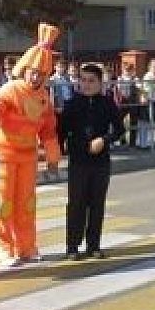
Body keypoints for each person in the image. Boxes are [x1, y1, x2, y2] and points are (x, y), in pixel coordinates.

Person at [0, 23, 62, 267]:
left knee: (26, 204)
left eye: (41, 73)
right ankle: (2, 250)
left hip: (27, 158)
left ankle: (26, 247)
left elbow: (48, 130)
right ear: (24, 69)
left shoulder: (44, 97)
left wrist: (53, 160)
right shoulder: (9, 90)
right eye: (33, 71)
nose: (35, 76)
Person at [58, 62, 124, 260]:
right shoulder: (72, 104)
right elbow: (60, 132)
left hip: (100, 161)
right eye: (83, 80)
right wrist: (58, 153)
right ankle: (72, 246)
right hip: (78, 161)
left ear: (100, 83)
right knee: (76, 204)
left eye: (91, 81)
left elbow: (119, 130)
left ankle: (93, 245)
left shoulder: (107, 103)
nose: (86, 84)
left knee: (97, 204)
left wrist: (104, 140)